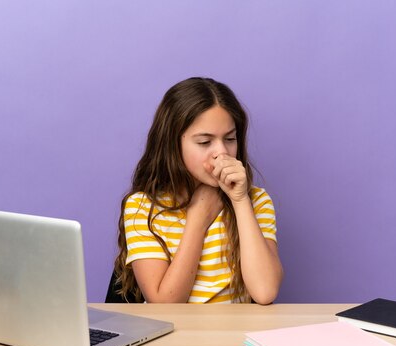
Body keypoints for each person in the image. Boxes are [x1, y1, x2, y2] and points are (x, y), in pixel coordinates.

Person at [113, 77, 283, 304]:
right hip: (176, 337)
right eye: (205, 142)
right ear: (173, 145)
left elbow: (265, 292)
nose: (221, 152)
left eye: (230, 139)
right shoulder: (142, 207)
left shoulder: (256, 201)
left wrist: (240, 201)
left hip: (234, 336)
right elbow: (165, 305)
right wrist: (198, 219)